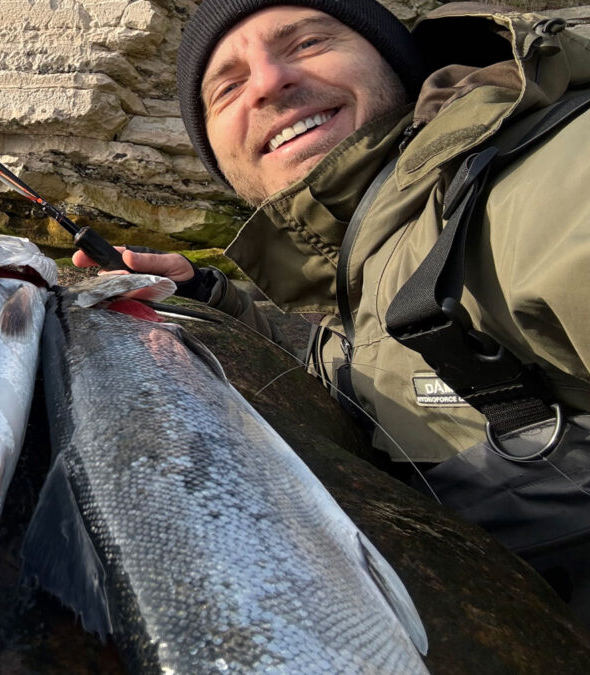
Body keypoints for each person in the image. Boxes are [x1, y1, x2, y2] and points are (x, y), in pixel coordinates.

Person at [74, 0, 590, 619]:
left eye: (307, 44)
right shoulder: (360, 259)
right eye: (228, 87)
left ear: (394, 62)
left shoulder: (543, 189)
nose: (268, 83)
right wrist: (212, 302)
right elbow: (367, 368)